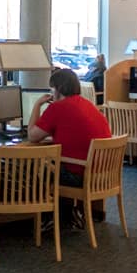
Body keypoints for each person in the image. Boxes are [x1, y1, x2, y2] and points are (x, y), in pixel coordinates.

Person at [26, 68, 113, 228]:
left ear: (57, 89)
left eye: (51, 88)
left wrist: (38, 104)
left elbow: (32, 136)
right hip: (103, 173)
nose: (50, 93)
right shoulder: (89, 105)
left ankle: (47, 216)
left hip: (80, 175)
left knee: (33, 165)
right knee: (53, 163)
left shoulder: (57, 108)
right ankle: (67, 213)